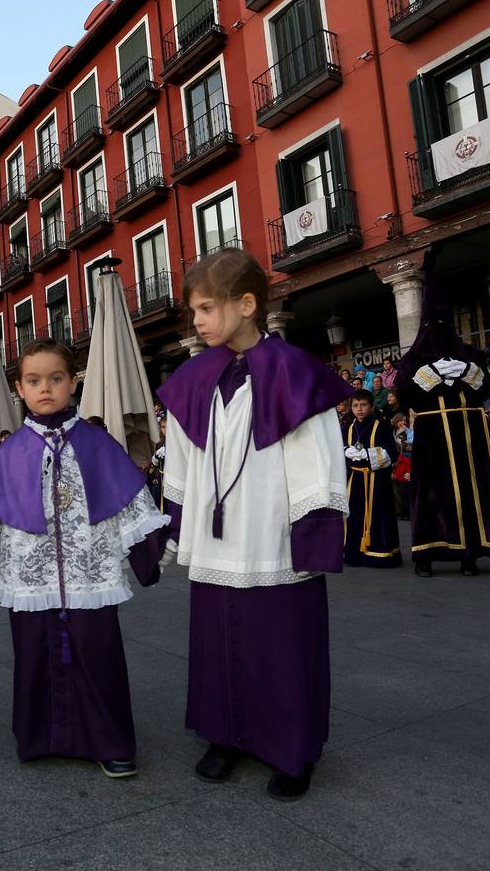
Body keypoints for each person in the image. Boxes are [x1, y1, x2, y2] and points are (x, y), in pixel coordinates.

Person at [155, 249, 350, 801]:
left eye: (206, 308)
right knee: (219, 642)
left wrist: (311, 535)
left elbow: (318, 461)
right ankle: (225, 735)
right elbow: (185, 461)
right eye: (193, 311)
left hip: (274, 538)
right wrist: (177, 525)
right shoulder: (194, 379)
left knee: (283, 645)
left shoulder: (296, 373)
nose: (196, 321)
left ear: (247, 305)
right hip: (218, 541)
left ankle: (293, 749)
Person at [0, 339, 168, 780]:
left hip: (89, 575)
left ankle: (111, 742)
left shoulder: (99, 445)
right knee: (34, 656)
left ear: (73, 383)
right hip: (32, 578)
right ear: (20, 390)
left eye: (56, 378)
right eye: (34, 380)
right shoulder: (8, 456)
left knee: (99, 657)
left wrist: (158, 546)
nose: (46, 388)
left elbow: (130, 507)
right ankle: (40, 737)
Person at [395, 276, 490, 579]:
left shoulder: (472, 356)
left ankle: (470, 554)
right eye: (432, 323)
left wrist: (471, 373)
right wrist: (427, 375)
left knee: (473, 491)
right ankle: (426, 555)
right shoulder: (413, 360)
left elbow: (485, 392)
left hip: (470, 432)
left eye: (444, 323)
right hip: (433, 434)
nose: (439, 329)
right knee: (431, 493)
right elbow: (404, 395)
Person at [342, 390, 401, 568]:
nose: (359, 409)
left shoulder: (382, 426)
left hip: (376, 480)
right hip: (355, 478)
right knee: (354, 516)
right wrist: (345, 450)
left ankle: (379, 554)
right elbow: (339, 447)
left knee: (378, 515)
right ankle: (354, 553)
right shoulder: (347, 427)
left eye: (363, 405)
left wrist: (366, 454)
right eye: (355, 405)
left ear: (371, 406)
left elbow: (391, 453)